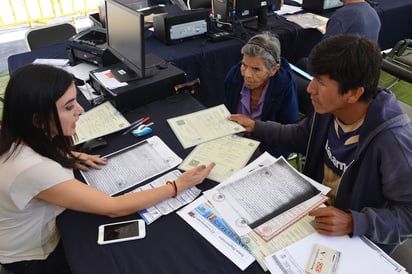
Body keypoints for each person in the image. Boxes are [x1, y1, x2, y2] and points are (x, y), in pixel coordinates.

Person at [0, 64, 215, 274]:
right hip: (35, 256)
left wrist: (69, 155)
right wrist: (177, 185)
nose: (81, 110)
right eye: (69, 107)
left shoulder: (18, 133)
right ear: (38, 120)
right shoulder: (33, 169)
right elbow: (113, 207)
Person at [228, 34, 412, 254]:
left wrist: (356, 222)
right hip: (313, 216)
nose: (310, 89)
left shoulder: (392, 141)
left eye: (321, 83)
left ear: (353, 93)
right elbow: (300, 136)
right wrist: (255, 127)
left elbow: (408, 215)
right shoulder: (329, 111)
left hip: (353, 241)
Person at [224, 33, 299, 158]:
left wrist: (265, 155)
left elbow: (288, 134)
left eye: (256, 69)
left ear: (274, 69)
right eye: (244, 65)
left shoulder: (284, 86)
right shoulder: (234, 77)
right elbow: (227, 111)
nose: (247, 74)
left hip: (266, 148)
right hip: (233, 142)